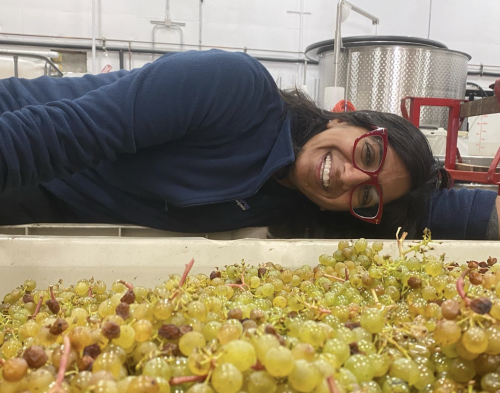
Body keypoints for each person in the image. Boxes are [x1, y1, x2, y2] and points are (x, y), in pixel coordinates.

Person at [0, 49, 496, 240]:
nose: (348, 177)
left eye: (365, 196)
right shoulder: (233, 88)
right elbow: (46, 140)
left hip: (33, 206)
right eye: (367, 153)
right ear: (345, 117)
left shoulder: (292, 198)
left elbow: (433, 211)